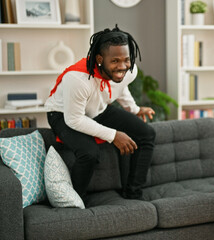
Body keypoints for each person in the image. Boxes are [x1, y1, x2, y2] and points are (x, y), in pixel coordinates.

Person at [45, 25, 156, 201]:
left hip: (99, 108)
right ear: (99, 59)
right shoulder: (78, 79)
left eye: (126, 59)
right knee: (89, 153)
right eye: (115, 61)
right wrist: (113, 135)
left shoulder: (128, 70)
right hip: (63, 113)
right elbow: (74, 119)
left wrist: (134, 109)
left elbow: (120, 86)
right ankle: (73, 202)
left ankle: (133, 194)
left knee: (147, 133)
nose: (122, 67)